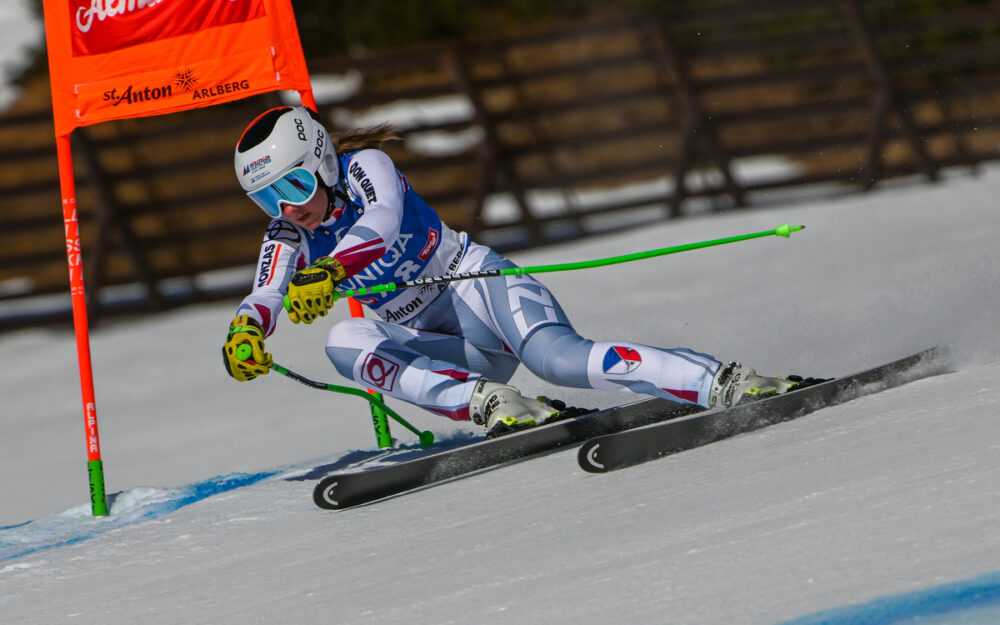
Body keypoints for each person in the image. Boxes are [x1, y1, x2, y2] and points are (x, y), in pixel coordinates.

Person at [222, 106, 802, 437]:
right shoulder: (289, 234)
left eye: (294, 185)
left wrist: (330, 270)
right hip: (445, 344)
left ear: (321, 161)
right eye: (266, 200)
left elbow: (380, 221)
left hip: (479, 289)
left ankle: (724, 380)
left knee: (559, 362)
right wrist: (246, 332)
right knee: (344, 339)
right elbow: (266, 293)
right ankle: (494, 403)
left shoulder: (364, 168)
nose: (288, 209)